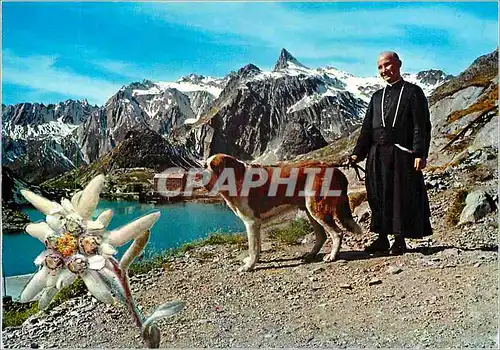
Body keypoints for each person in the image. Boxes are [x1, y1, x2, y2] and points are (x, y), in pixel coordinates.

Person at [350, 51, 432, 255]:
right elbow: (367, 129)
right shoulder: (376, 97)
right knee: (377, 195)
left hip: (401, 155)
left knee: (399, 196)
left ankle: (399, 239)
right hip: (376, 155)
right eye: (380, 67)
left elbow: (421, 127)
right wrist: (356, 154)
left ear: (399, 64)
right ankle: (382, 238)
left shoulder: (413, 92)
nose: (384, 70)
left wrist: (420, 153)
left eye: (387, 65)